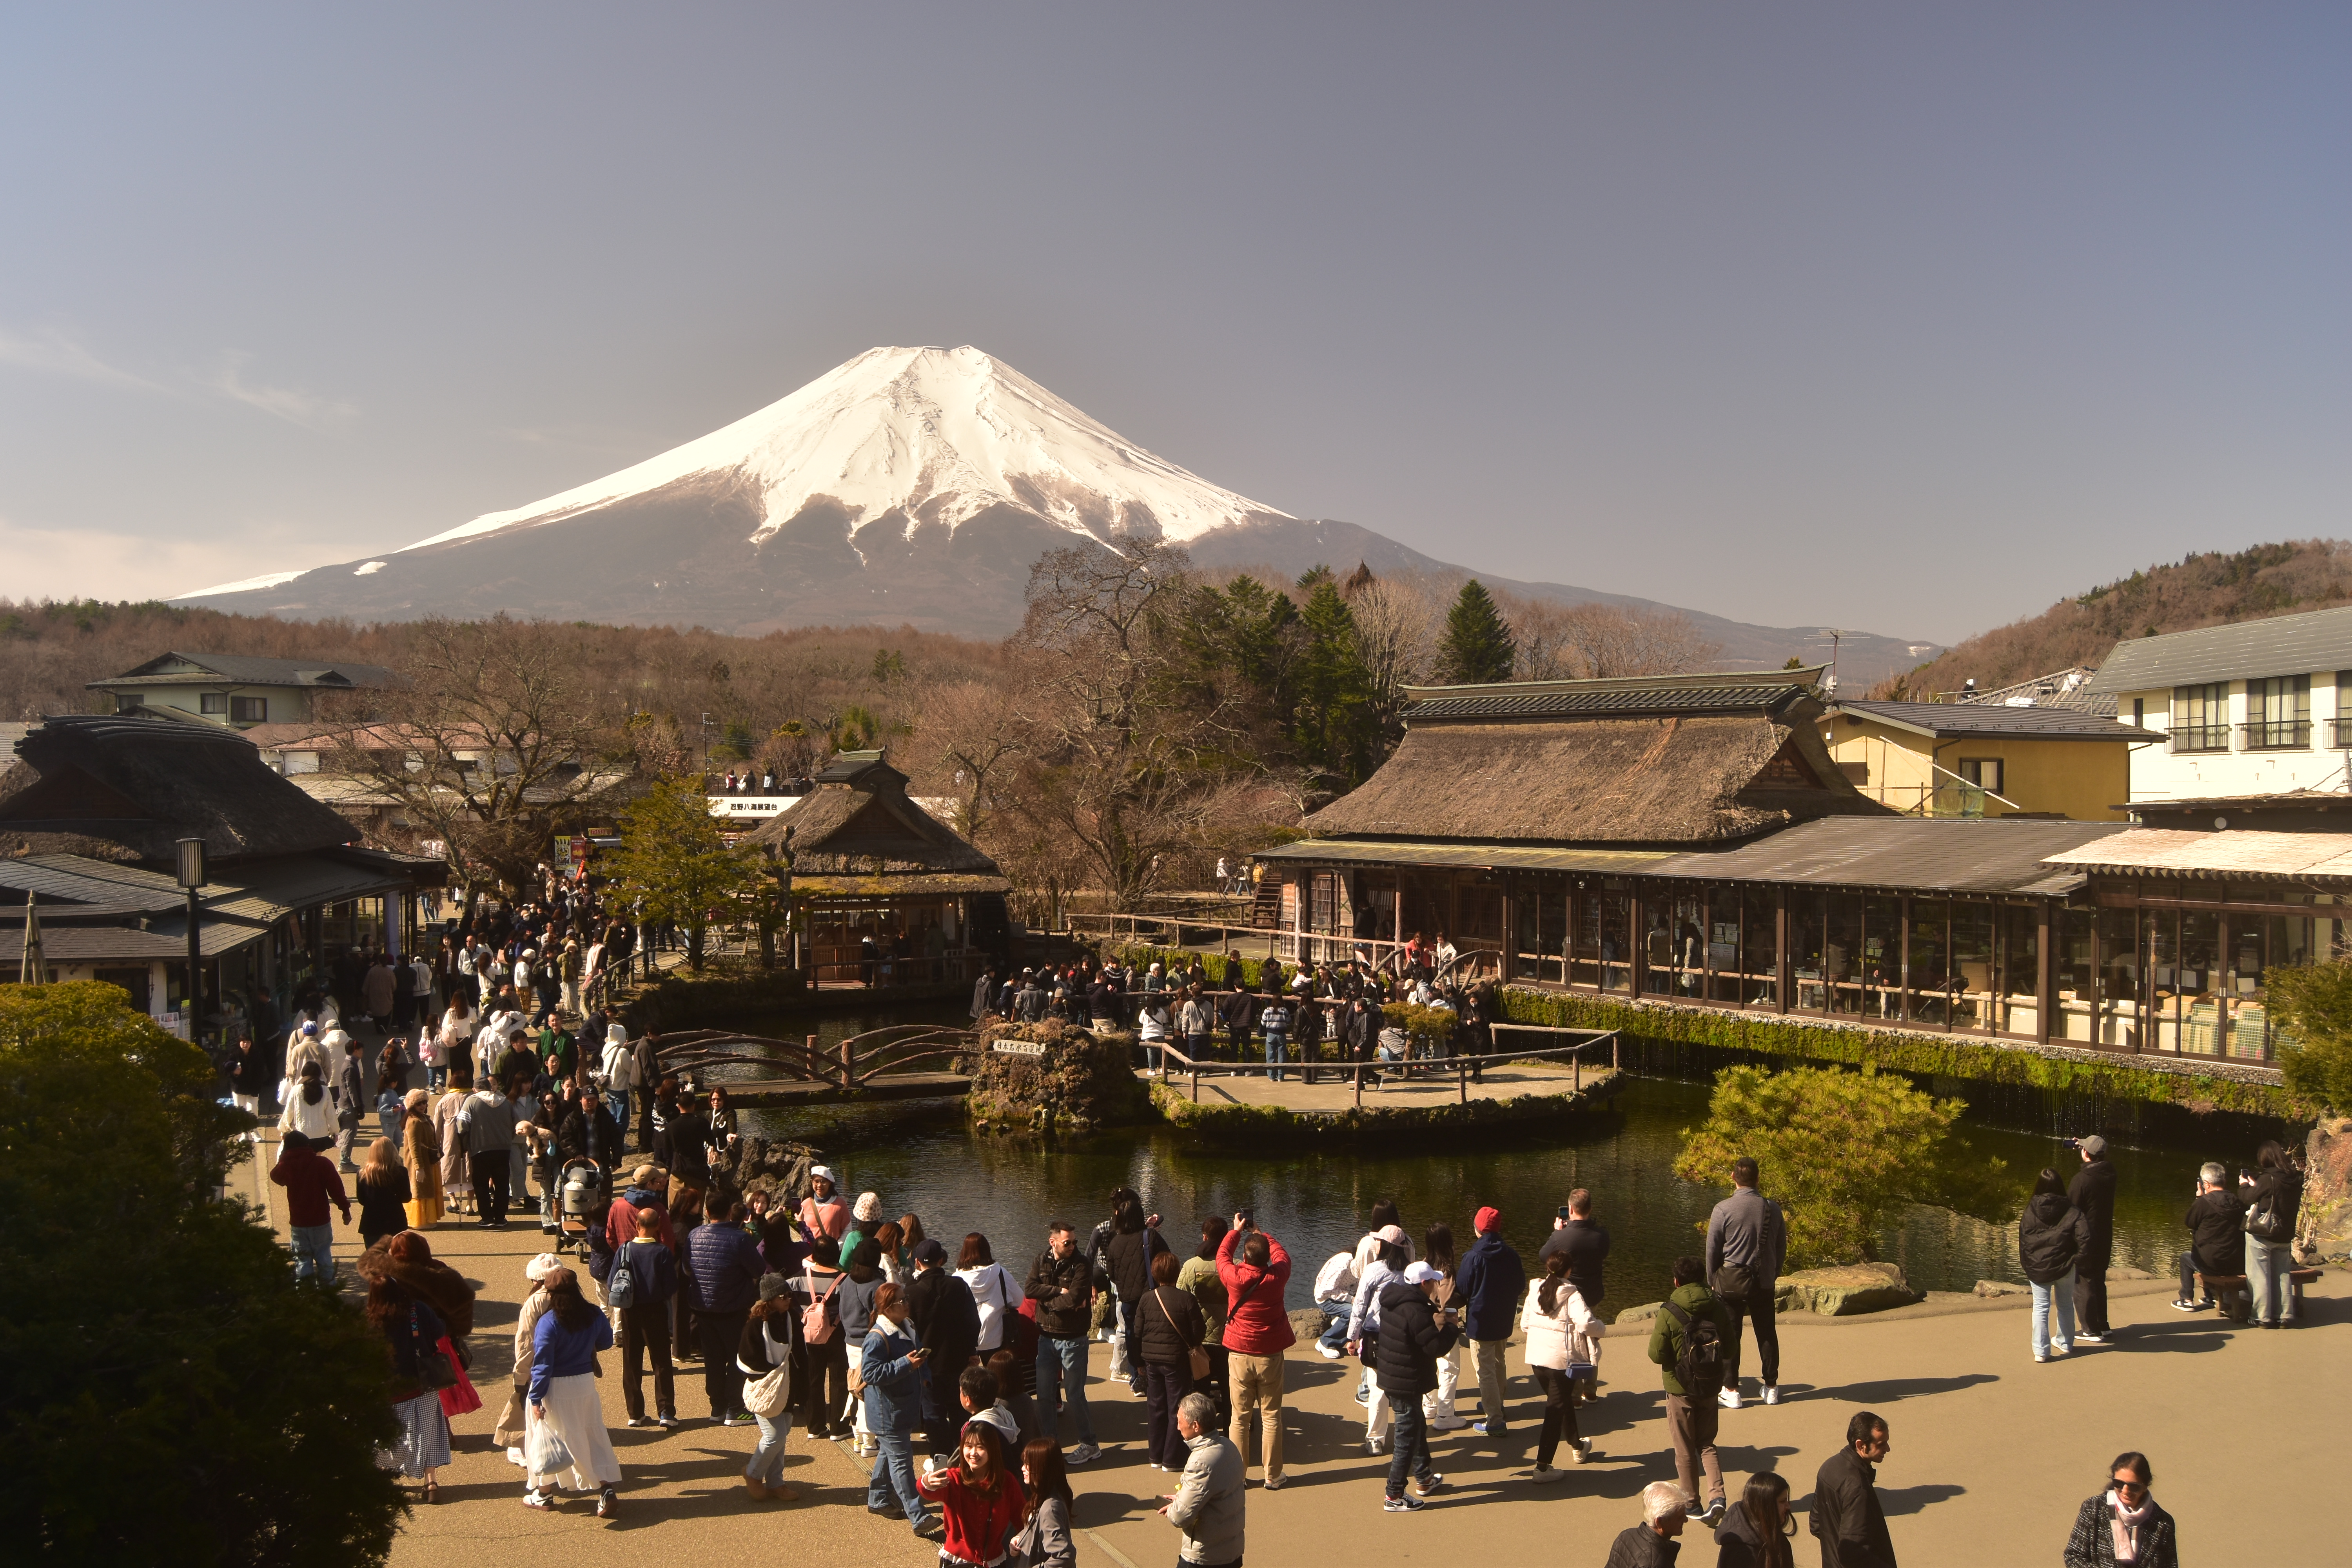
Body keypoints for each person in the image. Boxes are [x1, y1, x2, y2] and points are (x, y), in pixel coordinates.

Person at [524, 1267, 622, 1517]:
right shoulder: (592, 1313)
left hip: (556, 1388)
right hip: (585, 1383)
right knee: (591, 1433)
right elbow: (607, 1341)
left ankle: (544, 1492)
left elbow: (542, 1365)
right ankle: (606, 1489)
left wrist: (536, 1398)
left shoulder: (548, 1322)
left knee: (548, 1438)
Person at [1649, 1254, 1730, 1524]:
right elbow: (1730, 1347)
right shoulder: (1717, 1307)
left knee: (1684, 1447)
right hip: (1709, 1385)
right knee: (1707, 1443)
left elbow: (1657, 1354)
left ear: (1676, 1281)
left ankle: (1692, 1504)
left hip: (1679, 1386)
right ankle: (1717, 1496)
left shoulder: (1670, 1311)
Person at [369, 1248, 454, 1504]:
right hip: (423, 1385)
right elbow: (441, 1332)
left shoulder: (370, 1321)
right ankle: (431, 1483)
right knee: (427, 1434)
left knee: (383, 1437)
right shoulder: (418, 1310)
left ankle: (382, 1477)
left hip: (388, 1391)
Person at [1704, 1157, 1788, 1408]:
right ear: (1758, 1179)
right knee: (1767, 1333)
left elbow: (1712, 1250)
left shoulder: (1723, 1209)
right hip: (1763, 1281)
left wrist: (1712, 1279)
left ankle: (1732, 1390)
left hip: (1731, 1281)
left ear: (1733, 1177)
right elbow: (1781, 1245)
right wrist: (1774, 1272)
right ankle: (1771, 1387)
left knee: (1731, 1335)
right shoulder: (1773, 1209)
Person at [1376, 1260, 1458, 1512]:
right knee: (1406, 1437)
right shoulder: (1417, 1310)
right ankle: (1394, 1494)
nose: (1436, 1284)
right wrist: (1451, 1328)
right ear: (1423, 1283)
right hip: (1406, 1380)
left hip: (1393, 1376)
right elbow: (1434, 1347)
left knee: (1417, 1425)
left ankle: (1423, 1478)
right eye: (1433, 1281)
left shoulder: (1394, 1302)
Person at [861, 1281, 939, 1538]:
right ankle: (918, 1517)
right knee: (902, 1463)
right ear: (887, 1308)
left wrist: (923, 1374)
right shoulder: (877, 1337)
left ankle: (878, 1497)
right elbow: (871, 1374)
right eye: (902, 1301)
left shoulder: (907, 1325)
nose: (907, 1304)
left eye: (906, 1299)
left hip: (902, 1407)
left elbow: (918, 1355)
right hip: (888, 1413)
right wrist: (906, 1365)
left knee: (889, 1454)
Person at [1521, 1249, 1602, 1481]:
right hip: (1562, 1363)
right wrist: (1602, 1329)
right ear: (1569, 1270)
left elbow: (1525, 1325)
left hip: (1537, 1360)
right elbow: (1587, 1324)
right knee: (1554, 1412)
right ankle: (1542, 1467)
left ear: (1548, 1268)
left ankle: (1578, 1445)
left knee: (1561, 1402)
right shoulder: (1572, 1295)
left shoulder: (1535, 1290)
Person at [1025, 1221, 1101, 1465]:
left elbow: (1076, 1299)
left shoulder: (1082, 1264)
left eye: (1075, 1242)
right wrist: (1059, 1293)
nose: (1072, 1246)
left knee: (1075, 1394)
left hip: (1073, 1340)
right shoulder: (1041, 1260)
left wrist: (1047, 1300)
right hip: (1046, 1338)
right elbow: (1030, 1289)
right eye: (1067, 1243)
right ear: (1054, 1242)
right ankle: (1050, 1443)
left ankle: (1090, 1444)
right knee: (1045, 1395)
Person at [687, 1194, 766, 1425]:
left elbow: (686, 1267)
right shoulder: (740, 1239)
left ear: (707, 1212)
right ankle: (736, 1408)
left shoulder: (695, 1235)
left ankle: (717, 1407)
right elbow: (759, 1268)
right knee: (735, 1357)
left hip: (703, 1307)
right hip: (732, 1307)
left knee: (712, 1358)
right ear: (730, 1213)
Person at [916, 1406, 1025, 1565]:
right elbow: (926, 1490)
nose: (973, 1453)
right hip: (957, 1561)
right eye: (968, 1446)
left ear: (992, 1450)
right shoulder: (954, 1478)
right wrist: (926, 1482)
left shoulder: (1007, 1481)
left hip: (994, 1559)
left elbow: (1022, 1517)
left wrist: (1020, 1538)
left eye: (980, 1447)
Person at [1454, 1205, 1524, 1439]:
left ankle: (1494, 1420)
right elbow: (1520, 1286)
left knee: (1484, 1369)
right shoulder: (1511, 1255)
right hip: (1503, 1318)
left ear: (1477, 1229)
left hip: (1480, 1321)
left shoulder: (1473, 1257)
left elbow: (1463, 1289)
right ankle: (1497, 1404)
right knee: (1499, 1361)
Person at [1346, 1223, 1412, 1454]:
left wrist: (1352, 1337)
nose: (1375, 1243)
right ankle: (1409, 1437)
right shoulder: (1410, 1272)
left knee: (1377, 1388)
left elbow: (1360, 1307)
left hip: (1377, 1336)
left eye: (1378, 1240)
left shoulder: (1373, 1271)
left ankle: (1376, 1439)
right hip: (1404, 1336)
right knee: (1404, 1390)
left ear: (1384, 1246)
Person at [1138, 1249, 1205, 1472]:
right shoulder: (1187, 1299)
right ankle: (1172, 1459)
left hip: (1151, 1360)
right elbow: (1198, 1332)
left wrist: (1138, 1359)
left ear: (1155, 1273)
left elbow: (1136, 1331)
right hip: (1176, 1360)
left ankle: (1155, 1456)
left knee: (1155, 1406)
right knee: (1177, 1408)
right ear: (1177, 1273)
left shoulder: (1146, 1298)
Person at [615, 1207, 681, 1430]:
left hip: (629, 1311)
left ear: (637, 1225)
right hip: (655, 1312)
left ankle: (635, 1413)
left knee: (632, 1361)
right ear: (658, 1227)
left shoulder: (624, 1250)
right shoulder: (662, 1252)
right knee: (661, 1362)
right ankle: (665, 1412)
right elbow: (671, 1286)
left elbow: (611, 1281)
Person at [739, 1274, 802, 1503]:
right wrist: (770, 1374)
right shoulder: (756, 1325)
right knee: (774, 1436)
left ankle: (776, 1483)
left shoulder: (792, 1318)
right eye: (782, 1297)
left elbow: (800, 1353)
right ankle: (753, 1474)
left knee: (783, 1435)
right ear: (769, 1299)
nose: (788, 1300)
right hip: (765, 1389)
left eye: (789, 1296)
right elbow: (746, 1361)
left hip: (787, 1387)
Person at [1161, 1391, 1244, 1568]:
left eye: (1180, 1422)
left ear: (1196, 1426)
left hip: (1205, 1557)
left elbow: (1180, 1517)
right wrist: (1183, 1498)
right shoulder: (1228, 1446)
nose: (1177, 1428)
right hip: (1231, 1550)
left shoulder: (1200, 1462)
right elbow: (1213, 1493)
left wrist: (1174, 1509)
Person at [2020, 1167, 2091, 1363]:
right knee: (2066, 1304)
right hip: (2065, 1265)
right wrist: (2077, 1259)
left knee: (2041, 1308)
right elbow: (2085, 1237)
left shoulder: (2030, 1209)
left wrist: (2028, 1265)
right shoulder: (2072, 1210)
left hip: (2038, 1266)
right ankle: (2066, 1342)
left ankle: (2041, 1351)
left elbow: (2024, 1239)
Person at [2063, 1450, 2178, 1568]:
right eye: (2119, 1483)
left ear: (2145, 1486)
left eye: (2133, 1486)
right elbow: (2073, 1556)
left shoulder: (2164, 1522)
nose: (2125, 1491)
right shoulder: (2093, 1508)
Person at [1811, 1411, 1896, 1568]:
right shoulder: (1857, 1488)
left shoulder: (1829, 1467)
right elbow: (1853, 1553)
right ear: (1861, 1445)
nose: (1888, 1449)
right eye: (1881, 1444)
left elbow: (1816, 1524)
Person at [1105, 1190, 1167, 1398]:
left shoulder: (1114, 1243)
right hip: (1150, 1295)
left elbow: (1111, 1272)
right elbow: (1166, 1262)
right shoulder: (1150, 1236)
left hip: (1128, 1298)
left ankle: (1136, 1377)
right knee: (1154, 1335)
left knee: (1132, 1335)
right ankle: (1154, 1376)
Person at [270, 1131, 350, 1284]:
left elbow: (275, 1176)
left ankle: (306, 1299)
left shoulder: (287, 1166)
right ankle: (329, 1297)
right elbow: (337, 1190)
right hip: (320, 1221)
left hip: (298, 1222)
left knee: (302, 1263)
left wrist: (284, 1157)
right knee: (324, 1259)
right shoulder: (322, 1164)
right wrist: (345, 1210)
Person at [2242, 1138, 2304, 1328]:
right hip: (2285, 1234)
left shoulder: (2268, 1178)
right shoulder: (2296, 1178)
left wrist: (2245, 1185)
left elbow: (2247, 1199)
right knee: (2283, 1274)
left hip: (2264, 1234)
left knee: (2259, 1274)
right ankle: (2285, 1314)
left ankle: (2263, 1316)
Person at [1176, 1217, 1231, 1429]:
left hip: (1200, 1343)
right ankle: (1231, 1428)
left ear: (1204, 1237)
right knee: (1229, 1389)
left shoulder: (1191, 1266)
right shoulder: (1234, 1266)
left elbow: (1180, 1302)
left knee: (1200, 1389)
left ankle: (1202, 1430)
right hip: (1228, 1341)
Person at [2067, 1136, 2119, 1342]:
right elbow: (2097, 1156)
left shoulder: (2082, 1179)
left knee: (2083, 1280)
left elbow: (2070, 1208)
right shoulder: (2110, 1173)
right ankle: (2102, 1324)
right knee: (2099, 1279)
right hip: (2104, 1234)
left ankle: (2090, 1329)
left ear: (2086, 1153)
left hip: (2085, 1236)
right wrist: (2085, 1145)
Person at [840, 1239, 889, 1456]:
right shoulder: (877, 1286)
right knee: (870, 1392)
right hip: (870, 1344)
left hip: (851, 1342)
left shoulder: (847, 1282)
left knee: (855, 1389)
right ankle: (870, 1442)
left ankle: (859, 1439)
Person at [2171, 1161, 2239, 1311]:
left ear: (2206, 1184)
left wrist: (2198, 1199)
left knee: (2186, 1258)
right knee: (2211, 1249)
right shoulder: (2237, 1201)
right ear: (2225, 1181)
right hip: (2235, 1262)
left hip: (2212, 1264)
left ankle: (2187, 1299)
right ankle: (2210, 1297)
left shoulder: (2204, 1203)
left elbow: (2189, 1222)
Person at [1418, 1221, 1466, 1432]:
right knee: (1449, 1368)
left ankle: (1429, 1405)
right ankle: (1445, 1414)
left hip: (1424, 1323)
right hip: (1444, 1325)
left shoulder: (1424, 1265)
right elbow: (1447, 1301)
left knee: (1429, 1363)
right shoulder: (1446, 1270)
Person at [456, 1073, 517, 1229]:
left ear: (475, 1089)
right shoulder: (505, 1102)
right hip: (503, 1149)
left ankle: (487, 1218)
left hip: (480, 1149)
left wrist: (464, 1145)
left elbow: (462, 1125)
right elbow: (516, 1124)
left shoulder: (471, 1101)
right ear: (491, 1088)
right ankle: (500, 1218)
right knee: (502, 1183)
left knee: (481, 1184)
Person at [1009, 1438, 1077, 1568]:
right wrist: (1020, 1538)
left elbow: (1064, 1556)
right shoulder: (1043, 1497)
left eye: (1028, 1464)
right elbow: (1035, 1531)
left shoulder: (1050, 1509)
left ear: (1043, 1468)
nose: (1023, 1468)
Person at [1539, 1187, 1610, 1309]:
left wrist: (1557, 1232)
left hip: (1568, 1295)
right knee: (1589, 1326)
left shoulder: (1560, 1237)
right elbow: (1603, 1255)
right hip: (1592, 1296)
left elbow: (1544, 1256)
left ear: (1571, 1209)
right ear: (1590, 1209)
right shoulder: (1603, 1236)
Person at [956, 1232, 1024, 1359]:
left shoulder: (956, 1279)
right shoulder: (1001, 1274)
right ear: (987, 1250)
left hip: (967, 1342)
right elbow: (1019, 1300)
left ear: (964, 1252)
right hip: (995, 1340)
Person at [1715, 1470, 1795, 1568]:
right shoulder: (1740, 1553)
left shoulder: (1778, 1539)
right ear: (1765, 1506)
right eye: (1783, 1501)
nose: (1788, 1507)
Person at [1606, 1481, 1691, 1568]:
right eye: (1680, 1517)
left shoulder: (1627, 1535)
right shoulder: (1654, 1565)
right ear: (1660, 1522)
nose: (1686, 1520)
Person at [355, 1136, 413, 1249]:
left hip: (371, 1223)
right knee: (397, 1258)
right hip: (395, 1223)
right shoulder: (401, 1172)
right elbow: (406, 1198)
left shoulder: (362, 1174)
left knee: (375, 1260)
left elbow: (362, 1200)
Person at [400, 1089, 445, 1230]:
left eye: (424, 1102)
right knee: (419, 1191)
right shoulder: (413, 1122)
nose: (423, 1106)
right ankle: (419, 1221)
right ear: (412, 1105)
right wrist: (419, 1168)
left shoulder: (424, 1119)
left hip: (429, 1162)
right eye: (419, 1103)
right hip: (418, 1163)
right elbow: (414, 1148)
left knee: (428, 1189)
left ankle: (428, 1218)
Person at [1312, 1243, 1359, 1359]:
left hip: (1344, 1296)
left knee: (1363, 1309)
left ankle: (1340, 1325)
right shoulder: (1343, 1262)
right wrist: (1351, 1299)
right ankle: (1326, 1342)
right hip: (1326, 1299)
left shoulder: (1364, 1266)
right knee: (1354, 1312)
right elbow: (1327, 1290)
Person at [597, 1023, 637, 1135]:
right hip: (619, 1087)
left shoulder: (607, 1046)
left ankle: (611, 1139)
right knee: (622, 1119)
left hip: (608, 1085)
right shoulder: (622, 1052)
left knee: (613, 1114)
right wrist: (633, 1059)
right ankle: (618, 1142)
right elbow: (630, 1068)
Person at [228, 1034, 268, 1143]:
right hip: (239, 1088)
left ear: (252, 1043)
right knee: (240, 1111)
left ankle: (254, 1131)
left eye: (248, 1042)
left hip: (253, 1088)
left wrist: (258, 1086)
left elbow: (261, 1072)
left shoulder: (257, 1054)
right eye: (243, 1042)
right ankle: (244, 1133)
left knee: (253, 1110)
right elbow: (226, 1069)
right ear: (239, 1043)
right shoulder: (234, 1054)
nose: (246, 1044)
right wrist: (234, 1072)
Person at [802, 1163, 852, 1242]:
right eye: (816, 1182)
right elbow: (802, 1229)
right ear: (812, 1182)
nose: (819, 1185)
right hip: (810, 1252)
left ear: (829, 1183)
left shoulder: (840, 1204)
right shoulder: (805, 1204)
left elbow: (848, 1230)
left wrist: (837, 1248)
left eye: (823, 1182)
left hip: (832, 1252)